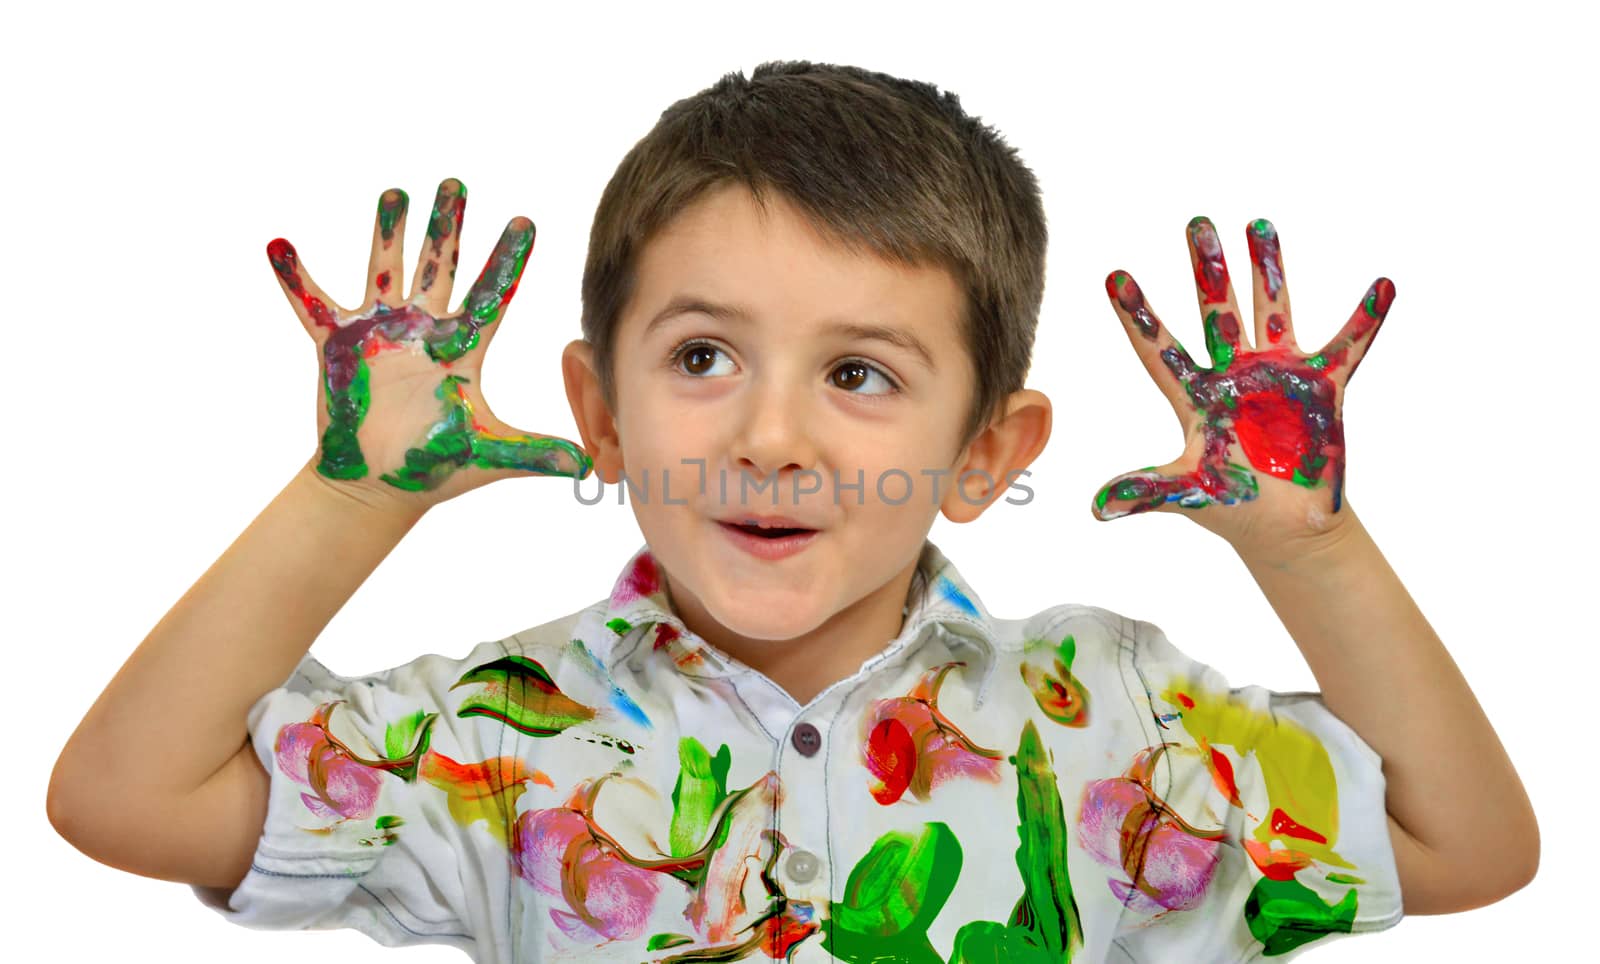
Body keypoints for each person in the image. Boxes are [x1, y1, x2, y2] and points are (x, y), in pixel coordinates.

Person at [46, 61, 1537, 963]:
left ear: (985, 447)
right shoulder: (500, 736)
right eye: (702, 358)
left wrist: (1308, 545)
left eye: (862, 374)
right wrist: (349, 500)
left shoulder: (1115, 715)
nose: (771, 435)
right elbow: (124, 799)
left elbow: (1467, 846)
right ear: (602, 412)